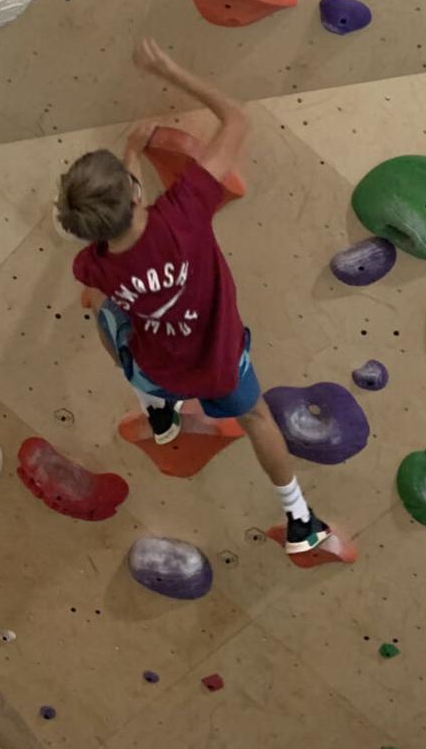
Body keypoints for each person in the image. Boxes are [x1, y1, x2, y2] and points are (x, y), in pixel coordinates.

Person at [56, 38, 328, 554]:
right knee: (256, 419)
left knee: (101, 316)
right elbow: (236, 119)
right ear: (137, 195)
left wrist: (130, 161)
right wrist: (168, 70)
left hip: (159, 369)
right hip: (220, 365)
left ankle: (157, 409)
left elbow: (110, 259)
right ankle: (298, 517)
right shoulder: (184, 211)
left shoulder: (92, 263)